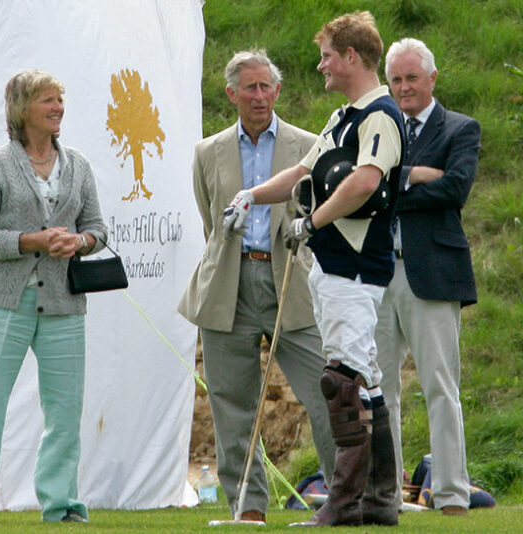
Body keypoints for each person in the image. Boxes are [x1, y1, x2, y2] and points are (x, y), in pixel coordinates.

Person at [223, 12, 405, 527]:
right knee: (362, 378)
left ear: (351, 57)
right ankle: (378, 501)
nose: (321, 64)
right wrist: (252, 196)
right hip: (332, 265)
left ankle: (345, 504)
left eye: (327, 54)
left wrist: (312, 221)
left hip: (355, 265)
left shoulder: (380, 117)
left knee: (342, 380)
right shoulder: (342, 116)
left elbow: (366, 182)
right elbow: (303, 172)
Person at [178, 49, 335, 524]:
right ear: (232, 94)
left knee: (325, 392)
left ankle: (346, 498)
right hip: (229, 283)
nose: (260, 95)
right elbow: (211, 220)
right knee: (231, 405)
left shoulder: (309, 145)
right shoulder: (208, 151)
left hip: (292, 280)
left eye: (267, 86)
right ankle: (247, 507)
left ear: (278, 91)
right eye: (250, 87)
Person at [0, 69, 108, 523]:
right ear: (22, 109)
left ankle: (61, 506)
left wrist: (79, 243)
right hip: (3, 305)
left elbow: (98, 228)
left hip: (63, 307)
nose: (57, 108)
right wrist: (30, 241)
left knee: (64, 412)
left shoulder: (77, 164)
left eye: (60, 99)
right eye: (47, 101)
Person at [375, 37, 480, 516]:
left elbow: (454, 189)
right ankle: (389, 494)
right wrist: (418, 175)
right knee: (381, 390)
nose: (403, 87)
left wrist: (397, 182)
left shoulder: (460, 128)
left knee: (441, 387)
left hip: (433, 274)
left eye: (411, 77)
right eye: (395, 79)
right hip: (377, 273)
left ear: (432, 78)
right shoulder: (379, 129)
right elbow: (361, 189)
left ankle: (453, 495)